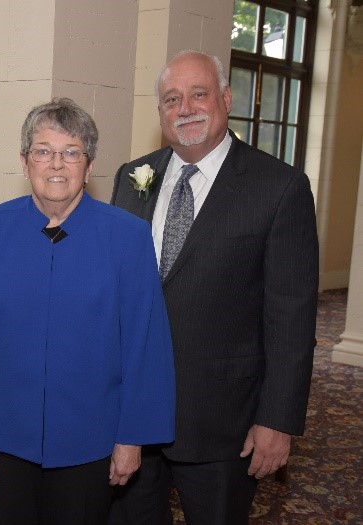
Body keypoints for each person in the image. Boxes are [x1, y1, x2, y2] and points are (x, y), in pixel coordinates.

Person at [0, 98, 176, 525]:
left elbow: (145, 343)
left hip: (93, 441)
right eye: (44, 151)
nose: (57, 165)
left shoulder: (127, 237)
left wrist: (132, 438)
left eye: (72, 152)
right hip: (3, 440)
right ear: (25, 161)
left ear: (90, 165)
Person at [109, 51, 319, 525]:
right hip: (134, 419)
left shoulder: (279, 187)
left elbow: (291, 316)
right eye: (171, 98)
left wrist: (278, 419)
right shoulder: (133, 177)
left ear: (225, 99)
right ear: (160, 112)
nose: (185, 107)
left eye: (198, 93)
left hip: (224, 422)